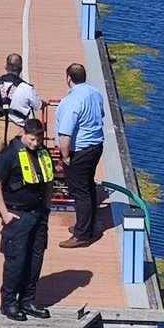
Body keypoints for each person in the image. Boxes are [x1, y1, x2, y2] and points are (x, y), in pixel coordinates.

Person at [0, 117, 55, 321]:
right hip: (17, 215)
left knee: (35, 260)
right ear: (23, 134)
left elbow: (49, 181)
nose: (36, 144)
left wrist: (47, 206)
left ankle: (28, 300)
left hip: (38, 214)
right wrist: (5, 214)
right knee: (16, 261)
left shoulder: (43, 153)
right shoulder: (9, 155)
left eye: (39, 139)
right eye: (32, 139)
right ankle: (8, 302)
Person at [0, 54, 43, 218]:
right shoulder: (26, 88)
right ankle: (14, 202)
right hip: (18, 130)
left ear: (5, 66)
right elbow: (37, 105)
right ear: (20, 69)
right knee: (19, 166)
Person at [56, 63, 106, 248]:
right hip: (96, 146)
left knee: (80, 192)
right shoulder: (95, 93)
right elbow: (100, 114)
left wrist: (65, 156)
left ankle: (82, 234)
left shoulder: (71, 102)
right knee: (89, 187)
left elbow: (65, 133)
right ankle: (87, 226)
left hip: (80, 150)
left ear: (69, 78)